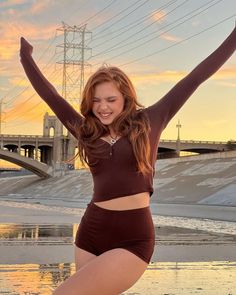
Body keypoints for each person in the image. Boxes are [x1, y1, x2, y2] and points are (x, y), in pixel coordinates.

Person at [20, 24, 235, 294]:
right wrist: (25, 57)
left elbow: (195, 77)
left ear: (125, 98)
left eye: (111, 99)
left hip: (133, 237)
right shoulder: (86, 131)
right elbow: (50, 95)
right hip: (91, 231)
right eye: (96, 100)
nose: (103, 107)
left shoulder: (151, 121)